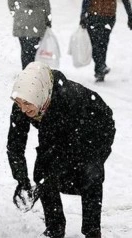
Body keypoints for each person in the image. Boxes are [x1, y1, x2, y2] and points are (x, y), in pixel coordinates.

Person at [7, 62, 115, 238]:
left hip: (93, 129)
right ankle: (55, 228)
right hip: (60, 133)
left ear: (40, 95)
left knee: (90, 174)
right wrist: (22, 180)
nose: (23, 109)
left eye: (27, 104)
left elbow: (62, 147)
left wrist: (95, 159)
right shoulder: (25, 100)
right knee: (43, 172)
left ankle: (92, 230)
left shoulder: (69, 98)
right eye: (18, 103)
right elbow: (14, 145)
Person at [80, 0, 132, 82]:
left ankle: (100, 67)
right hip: (109, 17)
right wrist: (130, 16)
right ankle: (100, 69)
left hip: (94, 16)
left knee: (95, 43)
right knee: (103, 42)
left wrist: (82, 15)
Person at [8, 0, 52, 69]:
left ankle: (25, 70)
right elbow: (46, 4)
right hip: (37, 21)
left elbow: (10, 2)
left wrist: (17, 13)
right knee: (34, 49)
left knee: (24, 49)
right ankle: (33, 70)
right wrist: (48, 20)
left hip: (21, 22)